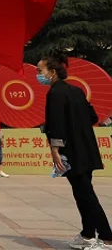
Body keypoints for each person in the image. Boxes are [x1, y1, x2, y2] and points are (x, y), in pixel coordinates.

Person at [39, 53, 112, 249]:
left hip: (71, 153)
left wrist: (55, 150)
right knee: (81, 192)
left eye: (40, 71)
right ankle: (87, 234)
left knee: (86, 194)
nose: (39, 75)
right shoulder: (76, 90)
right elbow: (92, 116)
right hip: (87, 149)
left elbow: (56, 124)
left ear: (52, 72)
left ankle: (107, 238)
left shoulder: (55, 93)